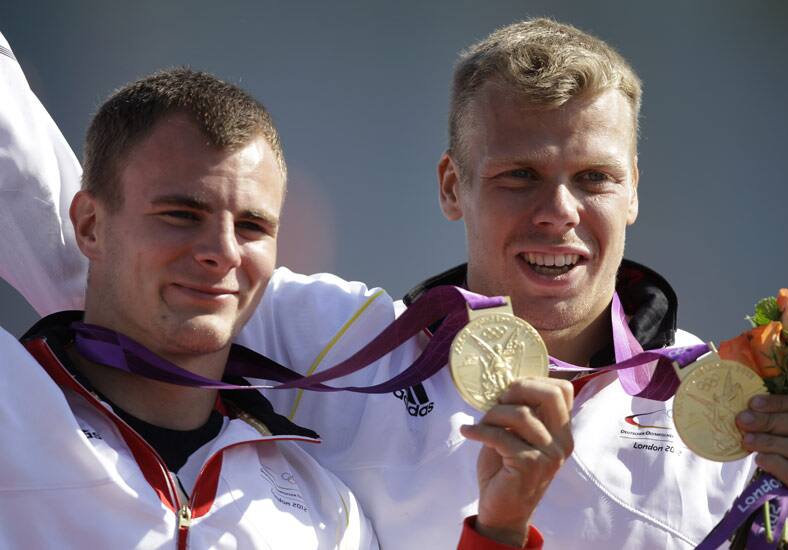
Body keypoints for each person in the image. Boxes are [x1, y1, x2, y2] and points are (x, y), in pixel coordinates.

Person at [1, 19, 788, 549]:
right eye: (517, 176)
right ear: (451, 186)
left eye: (592, 177)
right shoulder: (332, 340)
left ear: (634, 187)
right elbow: (86, 242)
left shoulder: (731, 407)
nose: (557, 210)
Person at [0, 36, 570, 549]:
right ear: (90, 225)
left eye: (252, 227)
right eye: (180, 214)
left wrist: (496, 531)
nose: (221, 251)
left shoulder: (323, 515)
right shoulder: (13, 405)